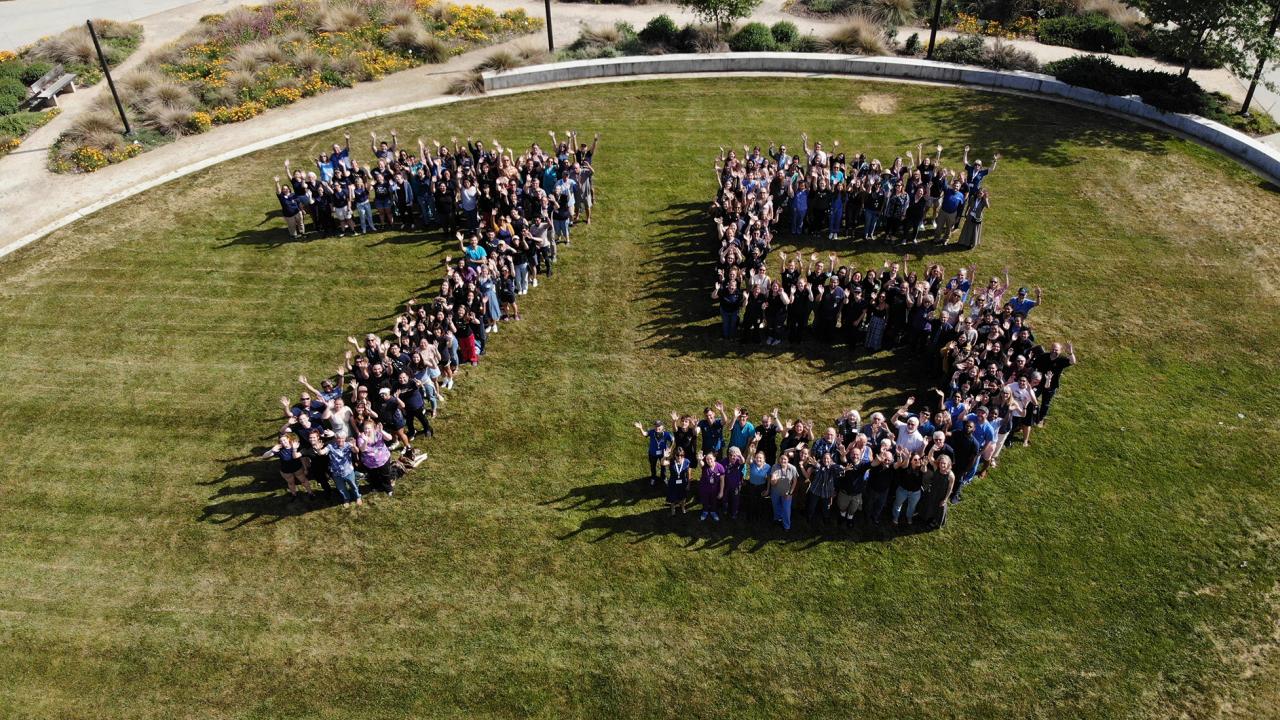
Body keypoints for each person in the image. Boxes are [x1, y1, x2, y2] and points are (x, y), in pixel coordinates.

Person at [263, 432, 312, 501]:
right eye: (281, 441)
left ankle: (310, 493)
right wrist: (271, 450)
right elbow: (264, 456)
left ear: (289, 439)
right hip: (286, 471)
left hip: (298, 468)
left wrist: (305, 468)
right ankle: (294, 494)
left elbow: (302, 458)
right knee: (291, 483)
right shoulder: (279, 449)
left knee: (303, 481)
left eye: (284, 440)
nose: (283, 442)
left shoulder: (295, 446)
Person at [634, 419, 673, 485]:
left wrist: (670, 448)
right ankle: (653, 477)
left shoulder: (666, 434)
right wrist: (641, 428)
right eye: (656, 426)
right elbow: (645, 434)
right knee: (653, 466)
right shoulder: (652, 432)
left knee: (663, 466)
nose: (657, 428)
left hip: (663, 454)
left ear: (662, 427)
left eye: (659, 426)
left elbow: (673, 440)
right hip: (652, 453)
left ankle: (663, 477)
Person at [769, 451, 798, 530]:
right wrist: (774, 480)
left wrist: (790, 493)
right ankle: (777, 519)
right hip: (776, 491)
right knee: (776, 506)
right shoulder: (775, 467)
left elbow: (795, 481)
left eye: (785, 459)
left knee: (786, 509)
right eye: (781, 459)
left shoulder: (793, 468)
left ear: (788, 460)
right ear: (779, 460)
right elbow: (772, 482)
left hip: (787, 492)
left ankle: (786, 526)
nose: (783, 461)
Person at [697, 452, 726, 522]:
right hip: (705, 489)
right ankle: (705, 512)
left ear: (714, 458)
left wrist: (721, 492)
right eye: (707, 459)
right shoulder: (705, 466)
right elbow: (701, 464)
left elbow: (722, 480)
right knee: (705, 501)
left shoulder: (720, 467)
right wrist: (699, 460)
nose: (709, 461)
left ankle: (713, 512)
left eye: (711, 459)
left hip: (715, 490)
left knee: (714, 501)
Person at [666, 446, 690, 515]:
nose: (679, 457)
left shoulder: (686, 461)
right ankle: (673, 507)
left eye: (681, 455)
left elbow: (688, 474)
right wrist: (664, 456)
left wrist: (688, 484)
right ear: (674, 455)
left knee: (683, 496)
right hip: (673, 482)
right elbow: (662, 463)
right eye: (677, 455)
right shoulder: (671, 461)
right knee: (673, 496)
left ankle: (682, 506)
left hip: (683, 482)